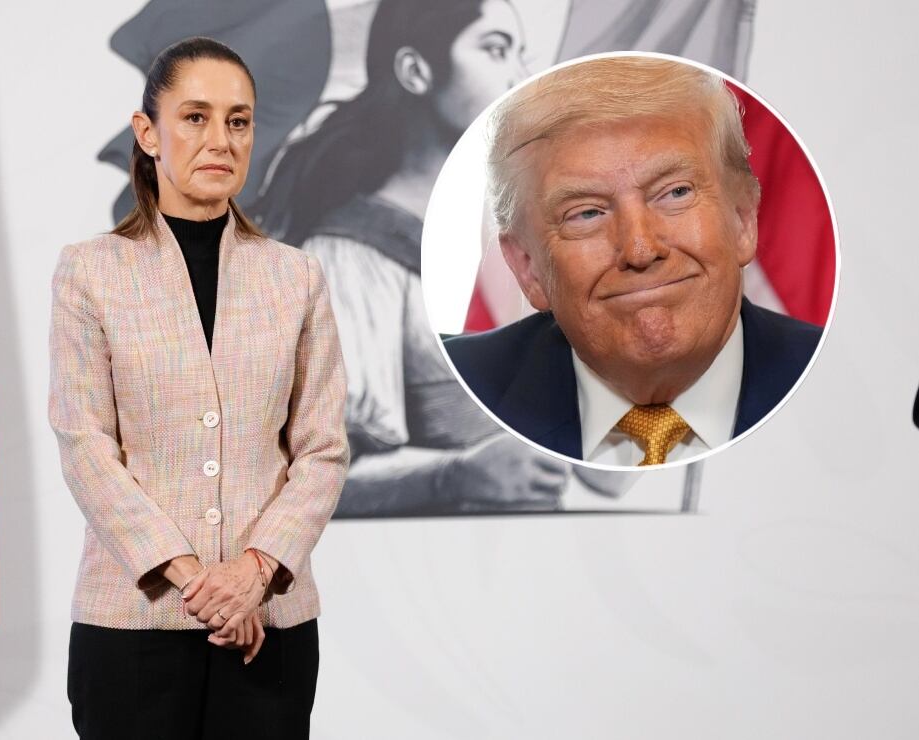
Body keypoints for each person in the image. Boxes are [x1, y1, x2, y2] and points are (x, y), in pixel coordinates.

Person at [48, 37, 348, 738]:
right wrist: (196, 583)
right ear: (147, 133)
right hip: (131, 626)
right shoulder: (90, 272)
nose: (220, 140)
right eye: (195, 117)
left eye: (237, 121)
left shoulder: (296, 277)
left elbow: (321, 450)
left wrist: (251, 573)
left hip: (269, 627)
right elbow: (84, 445)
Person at [253, 0, 580, 516]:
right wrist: (457, 476)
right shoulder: (351, 258)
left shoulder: (523, 240)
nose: (521, 78)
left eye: (521, 54)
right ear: (416, 70)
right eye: (495, 50)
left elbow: (603, 468)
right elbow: (315, 474)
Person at [444, 56, 823, 467]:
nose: (640, 251)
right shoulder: (448, 395)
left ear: (743, 220)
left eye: (675, 193)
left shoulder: (834, 376)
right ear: (527, 267)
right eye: (586, 213)